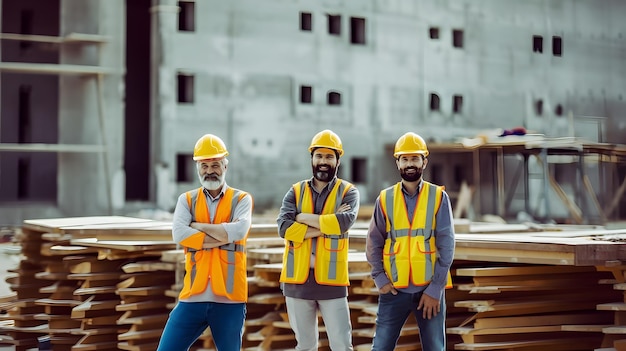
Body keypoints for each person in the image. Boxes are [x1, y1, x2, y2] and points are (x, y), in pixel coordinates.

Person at [157, 134, 253, 351]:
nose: (210, 170)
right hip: (192, 297)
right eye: (205, 165)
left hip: (230, 300)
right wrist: (221, 235)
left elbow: (238, 230)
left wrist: (197, 226)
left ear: (225, 166)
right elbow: (179, 234)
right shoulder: (187, 200)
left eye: (216, 164)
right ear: (197, 168)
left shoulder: (241, 199)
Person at [365, 132, 455, 351]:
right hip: (394, 291)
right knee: (380, 348)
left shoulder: (438, 197)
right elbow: (373, 242)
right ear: (397, 163)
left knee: (435, 348)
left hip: (429, 291)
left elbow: (447, 245)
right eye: (404, 159)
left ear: (424, 161)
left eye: (415, 158)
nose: (410, 164)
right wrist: (380, 279)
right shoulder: (385, 199)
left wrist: (435, 289)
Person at [277, 129, 360, 351]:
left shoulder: (348, 192)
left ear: (338, 160)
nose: (323, 161)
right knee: (305, 346)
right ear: (312, 158)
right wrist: (326, 226)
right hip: (297, 281)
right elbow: (284, 228)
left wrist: (302, 218)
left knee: (342, 344)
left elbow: (344, 223)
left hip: (332, 282)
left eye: (329, 156)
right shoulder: (295, 191)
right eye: (319, 156)